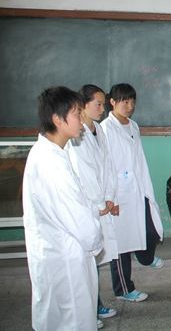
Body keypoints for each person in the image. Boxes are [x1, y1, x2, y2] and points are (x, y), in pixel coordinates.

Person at [23, 86, 102, 330]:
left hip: (60, 254)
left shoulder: (53, 153)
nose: (81, 120)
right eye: (77, 114)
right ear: (58, 119)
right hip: (66, 258)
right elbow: (78, 218)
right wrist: (95, 240)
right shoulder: (50, 163)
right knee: (73, 321)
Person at [101, 83, 164, 302]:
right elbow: (107, 165)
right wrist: (111, 197)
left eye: (132, 102)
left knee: (150, 228)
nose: (130, 106)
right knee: (121, 244)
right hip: (119, 193)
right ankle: (124, 289)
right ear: (112, 102)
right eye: (125, 102)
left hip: (138, 187)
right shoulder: (106, 129)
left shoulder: (133, 125)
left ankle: (146, 257)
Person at [66, 85, 119, 322]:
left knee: (94, 259)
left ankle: (95, 307)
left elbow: (108, 166)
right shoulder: (77, 136)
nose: (102, 108)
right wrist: (99, 202)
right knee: (86, 260)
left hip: (102, 203)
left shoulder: (98, 130)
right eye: (98, 104)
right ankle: (89, 310)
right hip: (88, 204)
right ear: (83, 105)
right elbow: (84, 173)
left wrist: (109, 196)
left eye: (103, 104)